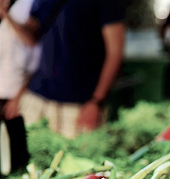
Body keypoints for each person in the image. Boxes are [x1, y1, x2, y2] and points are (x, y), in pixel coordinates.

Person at [0, 0, 126, 139]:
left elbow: (115, 52)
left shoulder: (107, 3)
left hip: (79, 103)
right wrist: (5, 13)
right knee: (31, 157)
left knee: (74, 158)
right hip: (38, 97)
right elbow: (31, 38)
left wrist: (96, 101)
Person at [0, 0, 41, 173]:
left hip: (15, 93)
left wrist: (19, 96)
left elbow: (33, 45)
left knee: (17, 159)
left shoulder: (28, 6)